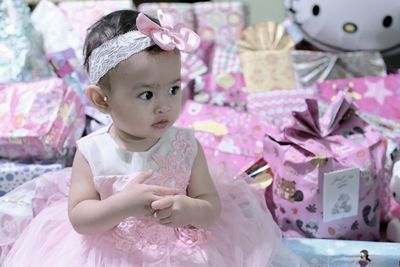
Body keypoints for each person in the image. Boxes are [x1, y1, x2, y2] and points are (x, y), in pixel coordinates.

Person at [3, 10, 307, 266]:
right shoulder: (92, 151)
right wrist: (122, 205)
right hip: (112, 255)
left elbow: (210, 204)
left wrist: (189, 210)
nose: (164, 105)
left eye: (173, 89)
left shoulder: (186, 144)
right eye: (146, 94)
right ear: (101, 100)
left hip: (180, 250)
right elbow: (81, 218)